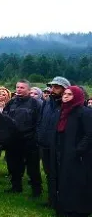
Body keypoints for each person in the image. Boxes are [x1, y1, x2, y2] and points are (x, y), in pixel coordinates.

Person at [50, 86, 92, 217]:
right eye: (65, 94)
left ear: (78, 96)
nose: (65, 96)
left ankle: (80, 213)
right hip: (63, 152)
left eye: (70, 94)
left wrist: (78, 150)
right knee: (65, 181)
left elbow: (89, 134)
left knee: (79, 184)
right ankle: (65, 209)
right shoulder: (63, 112)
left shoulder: (84, 112)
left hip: (79, 156)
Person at [2, 80, 43, 198]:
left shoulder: (36, 104)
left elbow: (39, 122)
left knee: (32, 167)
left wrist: (35, 137)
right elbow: (5, 119)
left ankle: (36, 190)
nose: (19, 89)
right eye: (17, 87)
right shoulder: (11, 103)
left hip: (29, 140)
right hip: (13, 141)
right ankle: (16, 186)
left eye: (22, 87)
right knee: (14, 165)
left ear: (29, 90)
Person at [37, 76, 70, 207]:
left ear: (64, 89)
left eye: (56, 87)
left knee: (60, 174)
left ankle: (62, 200)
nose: (52, 89)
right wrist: (39, 135)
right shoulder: (47, 102)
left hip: (59, 146)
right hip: (44, 144)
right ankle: (52, 199)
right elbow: (40, 120)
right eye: (52, 86)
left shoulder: (67, 105)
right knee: (49, 173)